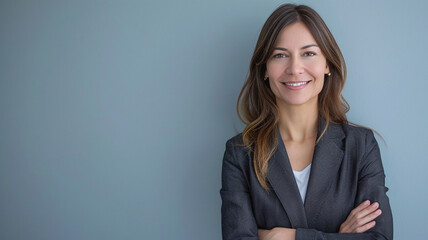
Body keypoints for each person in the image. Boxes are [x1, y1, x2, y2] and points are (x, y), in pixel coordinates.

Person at [220, 4, 393, 240]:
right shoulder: (240, 153)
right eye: (280, 55)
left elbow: (379, 238)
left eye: (308, 53)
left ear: (327, 64)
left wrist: (284, 236)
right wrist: (338, 236)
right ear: (265, 69)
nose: (295, 68)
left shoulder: (361, 146)